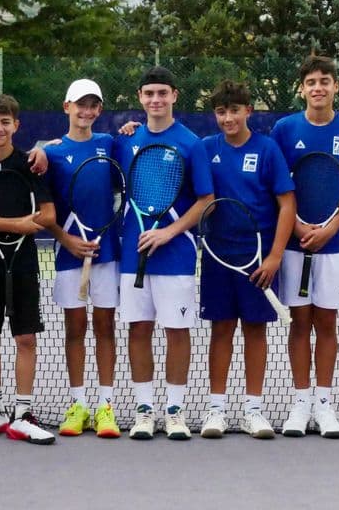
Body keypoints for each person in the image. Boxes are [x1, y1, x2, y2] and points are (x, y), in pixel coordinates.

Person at [270, 55, 339, 438]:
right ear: (302, 88)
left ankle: (324, 404)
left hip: (333, 247)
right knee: (300, 322)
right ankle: (300, 403)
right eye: (311, 81)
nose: (318, 87)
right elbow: (278, 185)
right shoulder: (284, 128)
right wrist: (295, 225)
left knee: (327, 322)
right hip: (294, 245)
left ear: (335, 87)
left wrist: (330, 230)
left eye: (324, 81)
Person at [113, 67, 213, 441]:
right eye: (149, 93)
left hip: (177, 257)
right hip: (131, 255)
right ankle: (143, 409)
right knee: (138, 330)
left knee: (177, 331)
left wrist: (169, 232)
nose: (156, 100)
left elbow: (206, 201)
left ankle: (174, 410)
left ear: (175, 95)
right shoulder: (126, 140)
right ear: (140, 97)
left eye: (162, 93)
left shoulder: (192, 143)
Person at [200, 80, 294, 439]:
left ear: (248, 111)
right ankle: (217, 410)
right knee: (221, 330)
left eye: (234, 110)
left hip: (258, 258)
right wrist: (131, 127)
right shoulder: (206, 148)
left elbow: (287, 204)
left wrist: (274, 257)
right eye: (222, 112)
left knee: (256, 330)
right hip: (217, 256)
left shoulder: (268, 149)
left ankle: (253, 409)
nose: (228, 118)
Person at [0, 94, 57, 445]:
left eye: (5, 122)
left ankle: (22, 414)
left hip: (23, 263)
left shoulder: (31, 165)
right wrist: (18, 223)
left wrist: (8, 225)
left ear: (16, 125)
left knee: (26, 338)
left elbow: (48, 216)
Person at [42, 79, 123, 439]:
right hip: (67, 255)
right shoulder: (51, 152)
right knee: (74, 330)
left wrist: (131, 129)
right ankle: (77, 404)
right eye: (80, 104)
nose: (86, 111)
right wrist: (66, 240)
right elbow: (44, 211)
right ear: (66, 107)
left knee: (105, 328)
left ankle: (105, 406)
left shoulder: (109, 144)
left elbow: (132, 155)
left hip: (106, 255)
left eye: (93, 105)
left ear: (99, 110)